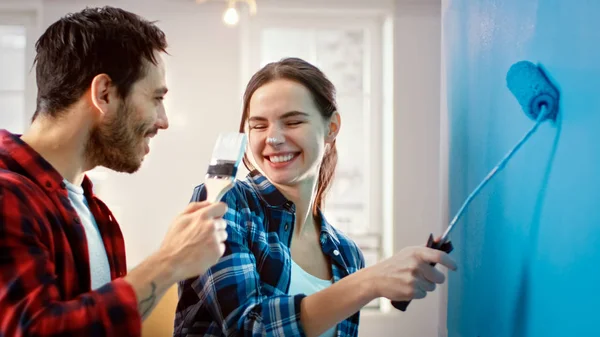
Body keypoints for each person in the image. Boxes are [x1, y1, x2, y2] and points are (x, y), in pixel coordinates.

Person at [174, 57, 458, 337]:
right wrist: (369, 282)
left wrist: (364, 280)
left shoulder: (346, 255)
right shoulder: (223, 204)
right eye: (259, 125)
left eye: (293, 121)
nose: (273, 138)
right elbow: (248, 329)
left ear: (332, 127)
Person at [0, 6, 228, 337]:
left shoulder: (96, 213)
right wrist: (169, 261)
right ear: (104, 94)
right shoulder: (7, 197)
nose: (163, 120)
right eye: (156, 98)